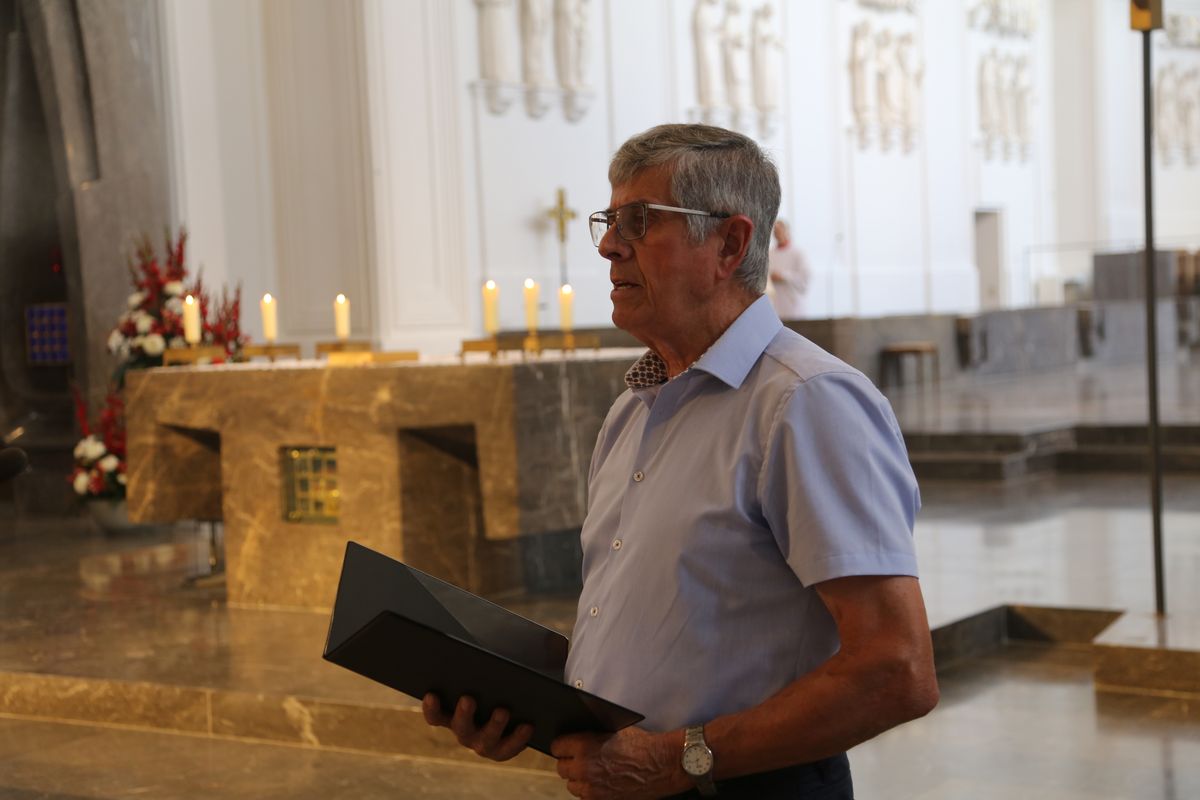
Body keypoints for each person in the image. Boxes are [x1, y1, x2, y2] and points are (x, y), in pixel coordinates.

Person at [423, 124, 938, 799]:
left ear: (729, 243)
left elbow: (896, 669)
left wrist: (677, 760)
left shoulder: (804, 403)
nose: (609, 245)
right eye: (610, 221)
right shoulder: (633, 409)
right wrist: (523, 709)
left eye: (639, 221)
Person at [767, 219, 811, 319]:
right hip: (777, 303)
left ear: (787, 231)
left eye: (779, 231)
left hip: (793, 304)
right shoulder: (770, 254)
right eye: (775, 232)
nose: (777, 234)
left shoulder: (798, 253)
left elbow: (804, 277)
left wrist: (783, 276)